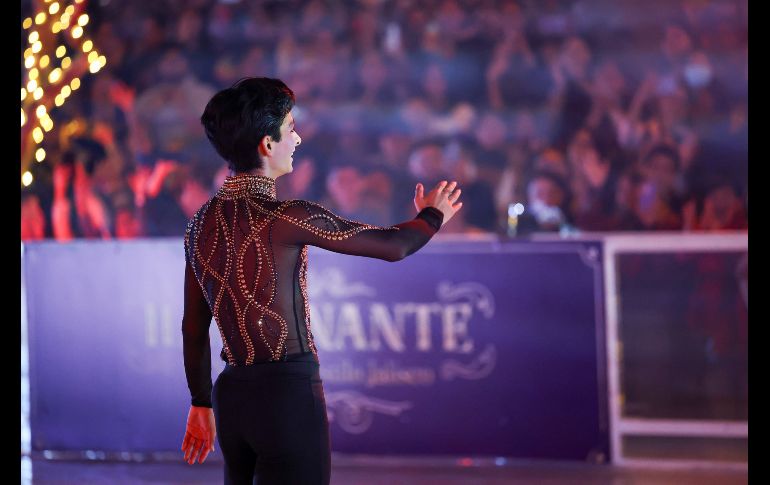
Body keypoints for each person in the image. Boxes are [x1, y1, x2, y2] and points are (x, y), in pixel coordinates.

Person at [180, 77, 463, 485]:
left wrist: (200, 402)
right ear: (267, 144)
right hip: (285, 396)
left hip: (231, 399)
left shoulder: (198, 226)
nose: (297, 140)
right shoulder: (287, 216)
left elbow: (193, 329)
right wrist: (432, 216)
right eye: (291, 129)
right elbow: (394, 246)